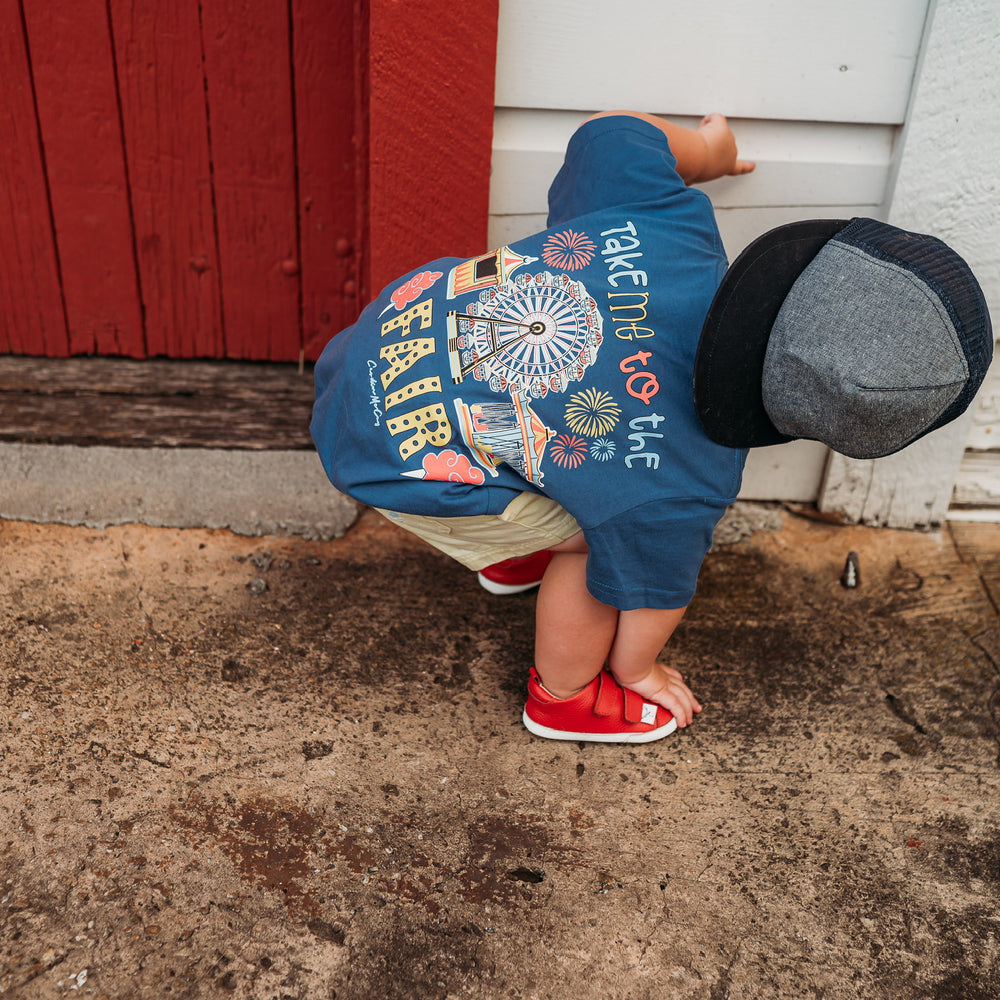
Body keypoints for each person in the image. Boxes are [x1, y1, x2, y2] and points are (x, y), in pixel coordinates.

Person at [312, 111, 991, 744]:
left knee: (581, 463)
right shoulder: (686, 480)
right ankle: (565, 697)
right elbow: (647, 588)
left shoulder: (668, 224)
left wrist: (707, 152)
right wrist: (636, 669)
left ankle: (512, 543)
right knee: (600, 553)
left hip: (376, 344)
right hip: (393, 458)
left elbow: (612, 134)